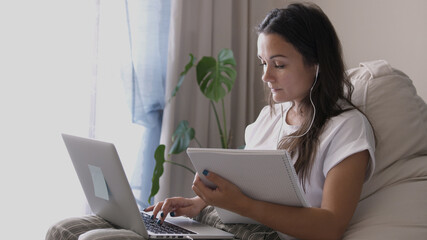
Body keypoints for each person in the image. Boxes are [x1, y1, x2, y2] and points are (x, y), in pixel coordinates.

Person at [46, 3, 375, 240]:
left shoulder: (346, 128)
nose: (266, 75)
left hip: (259, 234)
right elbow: (243, 183)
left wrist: (242, 205)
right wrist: (197, 203)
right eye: (263, 62)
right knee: (65, 230)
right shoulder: (270, 118)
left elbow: (331, 227)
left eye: (279, 64)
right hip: (220, 224)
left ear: (316, 62)